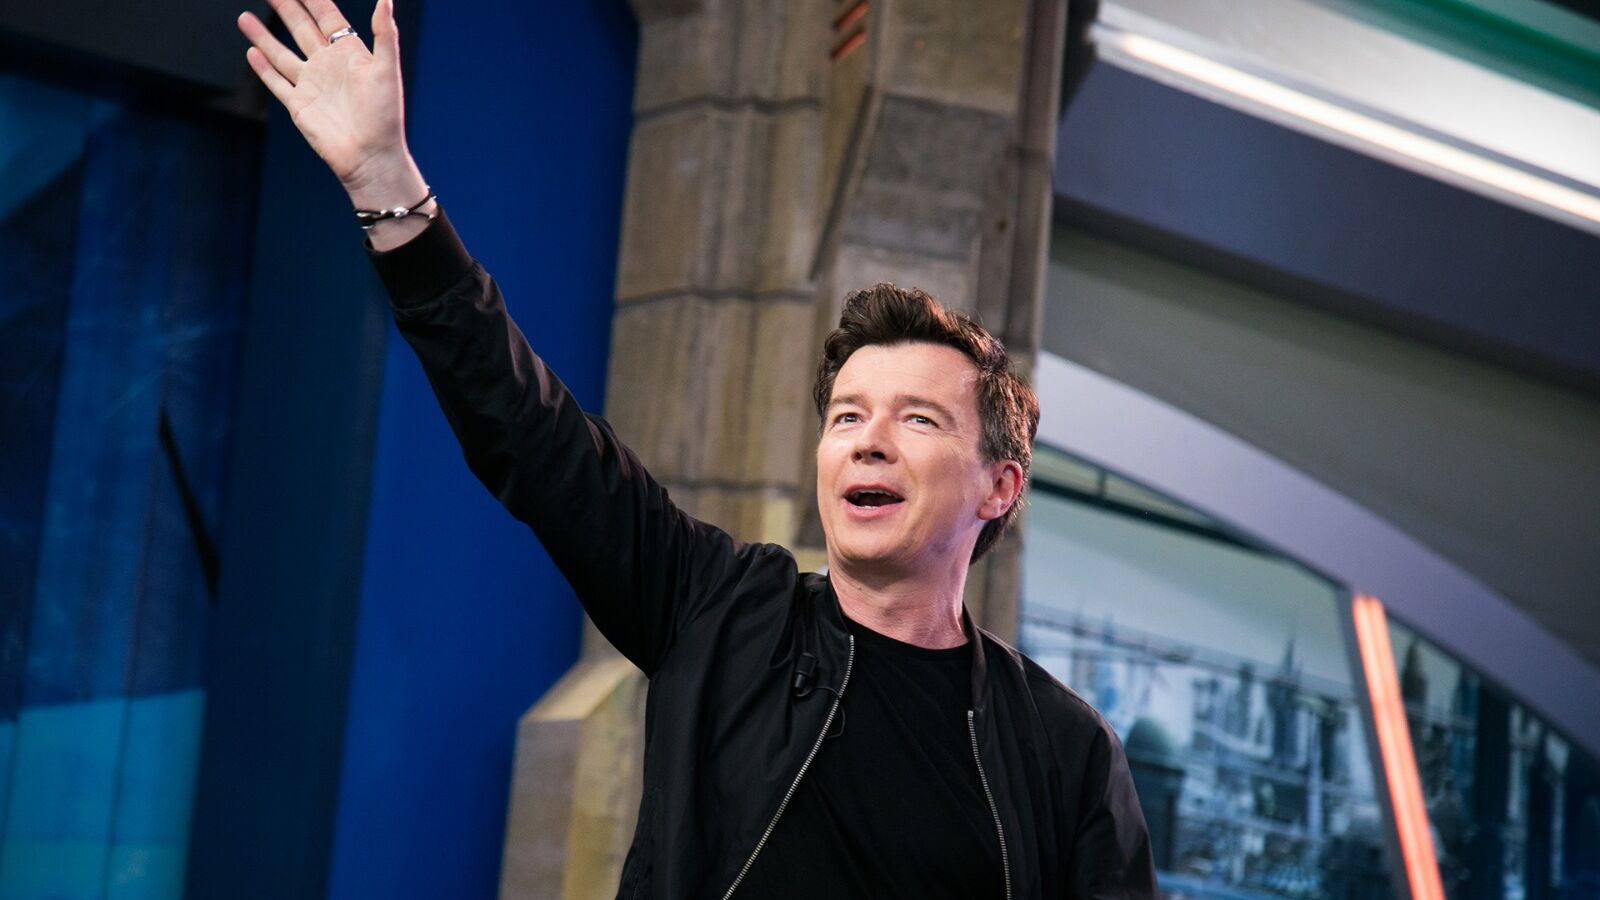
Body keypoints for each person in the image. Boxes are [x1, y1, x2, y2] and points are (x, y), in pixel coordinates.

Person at [237, 0, 1157, 896]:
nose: (868, 442)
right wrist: (387, 187)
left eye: (918, 419)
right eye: (846, 417)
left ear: (1000, 485)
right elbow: (527, 428)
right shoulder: (719, 611)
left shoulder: (1064, 752)